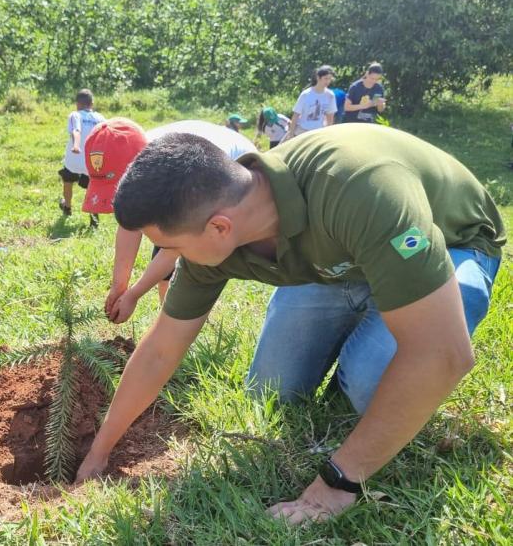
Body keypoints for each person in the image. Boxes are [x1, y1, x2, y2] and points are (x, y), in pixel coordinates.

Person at [75, 124, 505, 526]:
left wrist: (337, 484)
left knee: (373, 386)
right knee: (272, 390)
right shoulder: (223, 233)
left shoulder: (361, 189)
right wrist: (99, 452)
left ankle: (370, 353)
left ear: (219, 227)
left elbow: (442, 353)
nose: (167, 257)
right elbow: (159, 352)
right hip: (341, 264)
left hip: (452, 244)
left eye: (167, 247)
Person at [94, 119, 256, 324]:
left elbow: (175, 249)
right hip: (189, 182)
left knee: (195, 264)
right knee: (165, 275)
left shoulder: (185, 173)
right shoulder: (131, 152)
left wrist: (134, 294)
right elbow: (130, 223)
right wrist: (120, 286)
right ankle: (168, 320)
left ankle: (180, 325)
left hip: (235, 177)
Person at [58, 89, 105, 216]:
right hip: (92, 161)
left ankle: (67, 207)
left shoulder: (75, 115)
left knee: (68, 181)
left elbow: (76, 130)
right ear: (92, 103)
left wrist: (76, 145)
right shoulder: (101, 118)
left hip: (74, 159)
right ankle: (94, 217)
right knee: (92, 187)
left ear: (77, 104)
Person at [286, 65, 337, 139]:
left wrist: (328, 135)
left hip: (318, 132)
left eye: (329, 79)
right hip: (302, 131)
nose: (328, 81)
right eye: (325, 78)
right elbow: (296, 115)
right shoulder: (306, 94)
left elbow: (330, 117)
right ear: (318, 78)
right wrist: (291, 134)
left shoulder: (330, 95)